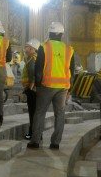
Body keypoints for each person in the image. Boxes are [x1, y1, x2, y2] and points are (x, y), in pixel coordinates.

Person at [27, 21, 75, 150]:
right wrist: (70, 88)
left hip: (47, 85)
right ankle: (55, 143)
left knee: (40, 113)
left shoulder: (45, 46)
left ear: (50, 33)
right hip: (63, 86)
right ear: (61, 34)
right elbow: (73, 70)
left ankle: (35, 141)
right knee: (60, 114)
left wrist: (37, 85)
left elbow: (39, 68)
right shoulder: (69, 49)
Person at [22, 38, 40, 141]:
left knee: (33, 112)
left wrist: (31, 86)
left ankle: (32, 133)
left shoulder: (32, 59)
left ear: (33, 49)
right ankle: (36, 133)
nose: (25, 49)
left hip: (32, 90)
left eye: (27, 47)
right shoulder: (33, 58)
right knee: (35, 112)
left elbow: (33, 74)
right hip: (34, 89)